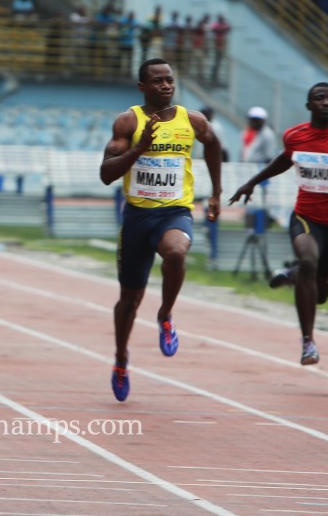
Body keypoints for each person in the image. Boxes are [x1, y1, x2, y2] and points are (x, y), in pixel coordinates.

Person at [99, 59, 222, 402]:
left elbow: (213, 144)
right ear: (143, 87)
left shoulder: (191, 120)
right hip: (138, 218)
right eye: (158, 81)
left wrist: (215, 192)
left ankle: (166, 313)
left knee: (176, 252)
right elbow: (106, 173)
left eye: (170, 80)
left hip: (175, 212)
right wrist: (140, 148)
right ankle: (121, 358)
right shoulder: (128, 122)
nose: (166, 86)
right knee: (128, 301)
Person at [229, 82, 328, 366]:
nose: (326, 103)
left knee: (320, 296)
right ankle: (308, 342)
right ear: (309, 105)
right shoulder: (295, 136)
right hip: (305, 218)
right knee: (309, 259)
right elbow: (284, 160)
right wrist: (252, 183)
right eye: (319, 98)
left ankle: (295, 275)